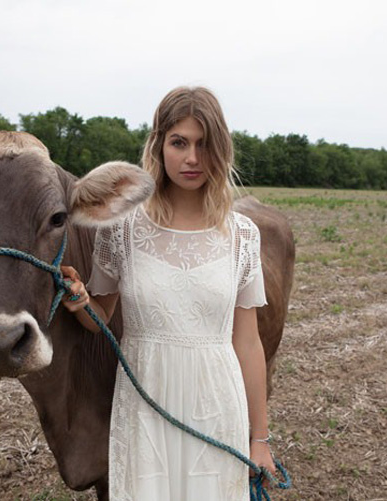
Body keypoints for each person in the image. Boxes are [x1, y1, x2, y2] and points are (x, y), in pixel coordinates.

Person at [61, 86, 275, 500]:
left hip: (216, 406)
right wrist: (80, 302)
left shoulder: (242, 236)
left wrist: (260, 439)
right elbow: (101, 318)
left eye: (203, 144)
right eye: (179, 143)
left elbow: (248, 343)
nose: (192, 158)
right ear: (159, 147)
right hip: (146, 406)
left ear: (220, 150)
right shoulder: (121, 228)